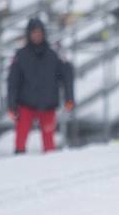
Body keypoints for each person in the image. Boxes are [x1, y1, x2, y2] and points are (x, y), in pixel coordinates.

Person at [7, 18, 74, 153]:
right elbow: (12, 81)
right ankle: (18, 163)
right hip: (25, 104)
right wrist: (11, 104)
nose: (37, 35)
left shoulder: (53, 55)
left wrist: (69, 98)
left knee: (49, 145)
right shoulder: (21, 56)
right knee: (20, 140)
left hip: (48, 105)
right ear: (29, 34)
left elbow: (67, 76)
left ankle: (50, 169)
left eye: (39, 32)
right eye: (34, 32)